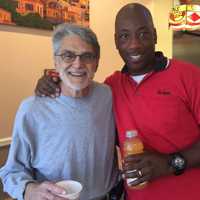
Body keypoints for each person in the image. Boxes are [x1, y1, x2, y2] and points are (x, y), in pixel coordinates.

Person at [34, 3, 200, 200]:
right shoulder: (109, 88)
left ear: (155, 35)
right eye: (124, 36)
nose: (134, 44)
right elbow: (78, 99)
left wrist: (171, 163)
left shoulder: (189, 76)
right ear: (116, 41)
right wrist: (52, 82)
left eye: (143, 34)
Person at [0, 23, 120, 200]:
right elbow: (11, 171)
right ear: (56, 62)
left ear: (96, 63)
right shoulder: (32, 109)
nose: (78, 64)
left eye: (87, 56)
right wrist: (29, 190)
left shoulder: (108, 95)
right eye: (68, 55)